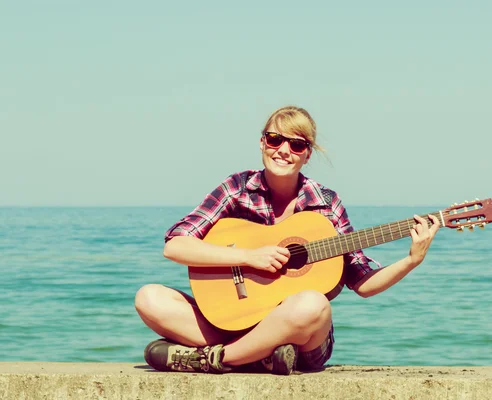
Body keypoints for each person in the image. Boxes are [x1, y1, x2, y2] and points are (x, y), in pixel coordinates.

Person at [135, 105, 440, 375]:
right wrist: (248, 257)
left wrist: (412, 260)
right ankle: (258, 357)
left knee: (313, 304)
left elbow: (362, 282)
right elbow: (175, 246)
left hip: (299, 337)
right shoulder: (236, 188)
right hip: (234, 323)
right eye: (275, 139)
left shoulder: (326, 204)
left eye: (296, 145)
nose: (283, 150)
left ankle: (213, 360)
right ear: (261, 142)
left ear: (307, 154)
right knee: (149, 298)